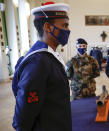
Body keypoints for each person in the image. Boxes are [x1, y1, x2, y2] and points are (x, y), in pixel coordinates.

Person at [12, 2, 72, 131]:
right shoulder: (38, 62)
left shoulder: (49, 56)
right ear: (47, 27)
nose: (68, 30)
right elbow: (23, 115)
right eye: (64, 25)